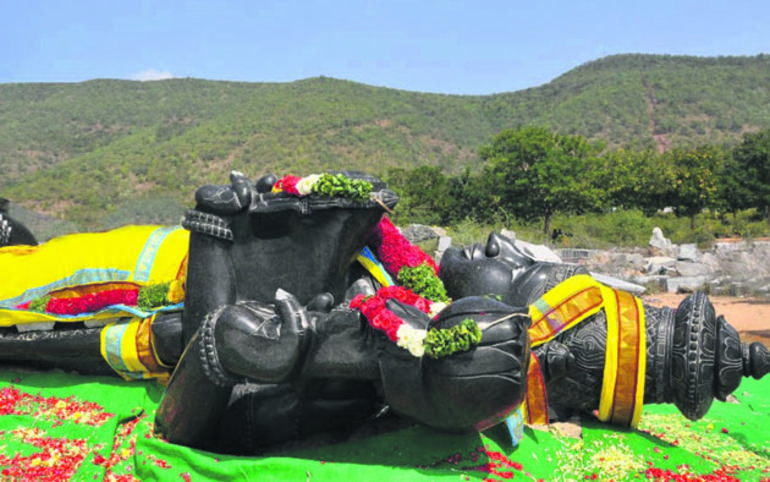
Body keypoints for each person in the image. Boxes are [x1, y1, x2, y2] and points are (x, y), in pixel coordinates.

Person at [0, 171, 767, 454]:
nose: (496, 247)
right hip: (143, 258)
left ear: (536, 337)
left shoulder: (398, 363)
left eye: (517, 270)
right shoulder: (409, 287)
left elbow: (206, 391)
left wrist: (214, 235)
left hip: (120, 292)